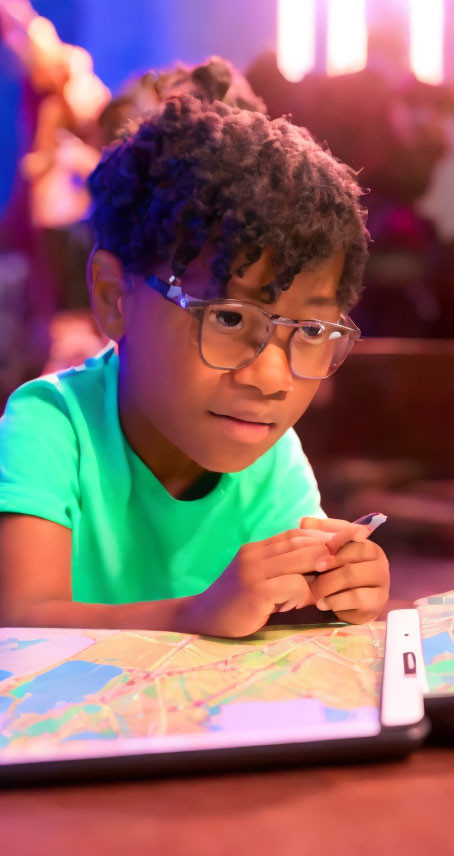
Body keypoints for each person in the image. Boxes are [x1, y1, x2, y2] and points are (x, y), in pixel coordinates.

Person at [0, 93, 389, 637]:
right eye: (229, 319)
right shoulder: (52, 426)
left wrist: (334, 590)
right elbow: (19, 624)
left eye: (311, 330)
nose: (273, 380)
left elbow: (274, 615)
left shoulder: (269, 456)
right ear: (116, 297)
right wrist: (195, 614)